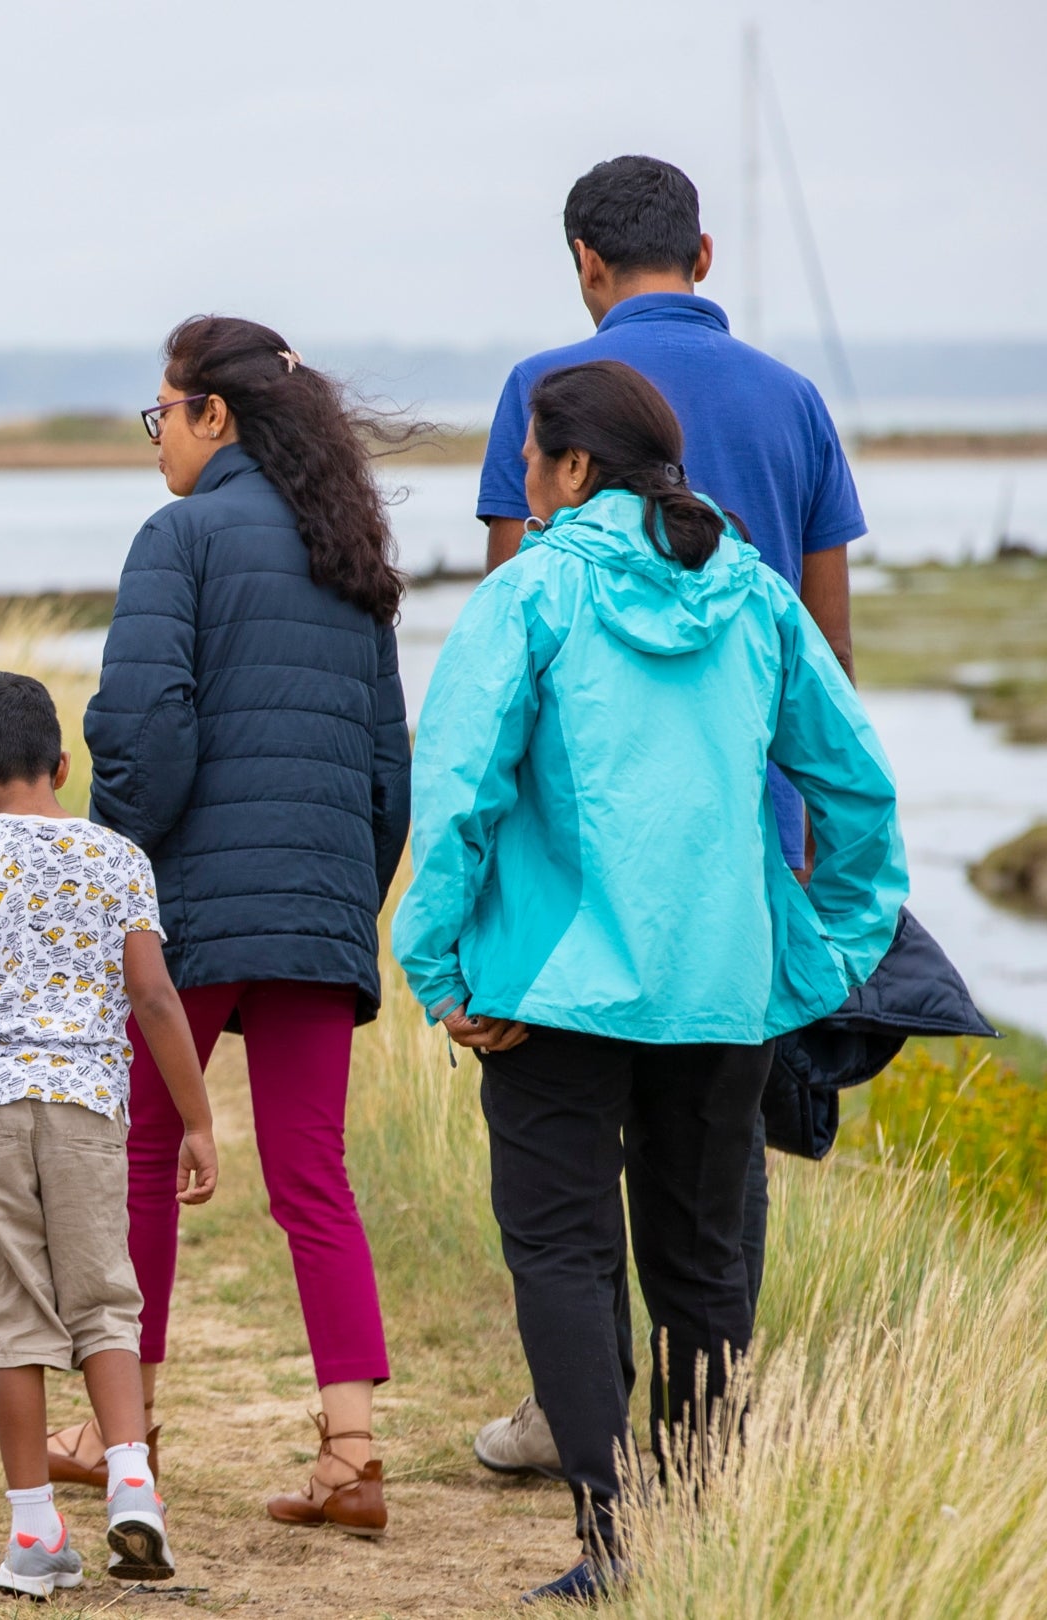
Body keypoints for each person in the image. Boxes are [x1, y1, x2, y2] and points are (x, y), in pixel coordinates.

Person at [398, 359, 904, 1602]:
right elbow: (857, 790)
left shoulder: (530, 593)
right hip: (723, 989)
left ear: (574, 469)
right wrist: (825, 952)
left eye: (529, 457)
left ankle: (615, 1546)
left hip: (544, 999)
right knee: (700, 1262)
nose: (521, 477)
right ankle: (693, 1540)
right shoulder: (756, 598)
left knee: (565, 1257)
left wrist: (438, 966)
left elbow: (459, 790)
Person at [467, 153, 868, 1484]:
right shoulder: (796, 403)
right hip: (732, 905)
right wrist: (811, 909)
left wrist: (471, 934)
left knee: (563, 1207)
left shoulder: (545, 397)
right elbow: (833, 671)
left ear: (586, 261)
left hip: (568, 902)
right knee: (709, 1214)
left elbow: (501, 674)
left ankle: (583, 1451)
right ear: (704, 254)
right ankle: (698, 1490)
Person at [57, 316, 412, 1536]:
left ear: (217, 416)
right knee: (316, 1177)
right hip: (316, 910)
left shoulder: (180, 538)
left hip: (190, 913)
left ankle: (125, 1435)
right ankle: (352, 1453)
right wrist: (341, 902)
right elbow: (387, 766)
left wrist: (119, 862)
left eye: (164, 415)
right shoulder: (349, 547)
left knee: (142, 1160)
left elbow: (146, 729)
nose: (157, 440)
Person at [0, 672, 220, 1595]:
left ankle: (34, 1535)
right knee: (106, 1303)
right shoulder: (120, 860)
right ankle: (134, 1490)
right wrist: (196, 1118)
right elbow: (153, 996)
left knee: (17, 1321)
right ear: (65, 765)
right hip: (86, 1111)